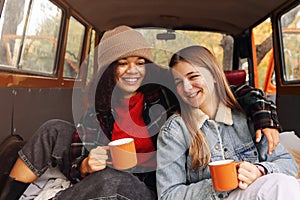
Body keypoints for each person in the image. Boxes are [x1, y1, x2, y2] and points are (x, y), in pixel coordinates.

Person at [0, 26, 282, 200]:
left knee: (113, 180)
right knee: (53, 129)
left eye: (139, 62)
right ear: (110, 70)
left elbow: (233, 89)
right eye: (122, 63)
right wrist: (85, 166)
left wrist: (264, 117)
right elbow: (79, 155)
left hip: (151, 185)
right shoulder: (99, 108)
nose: (133, 70)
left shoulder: (167, 90)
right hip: (107, 172)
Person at [156, 45, 300, 200]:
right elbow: (168, 195)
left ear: (214, 76)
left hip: (257, 192)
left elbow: (288, 163)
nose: (186, 87)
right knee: (279, 185)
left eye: (193, 77)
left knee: (284, 183)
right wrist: (219, 184)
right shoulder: (174, 130)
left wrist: (260, 170)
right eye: (178, 82)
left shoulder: (247, 115)